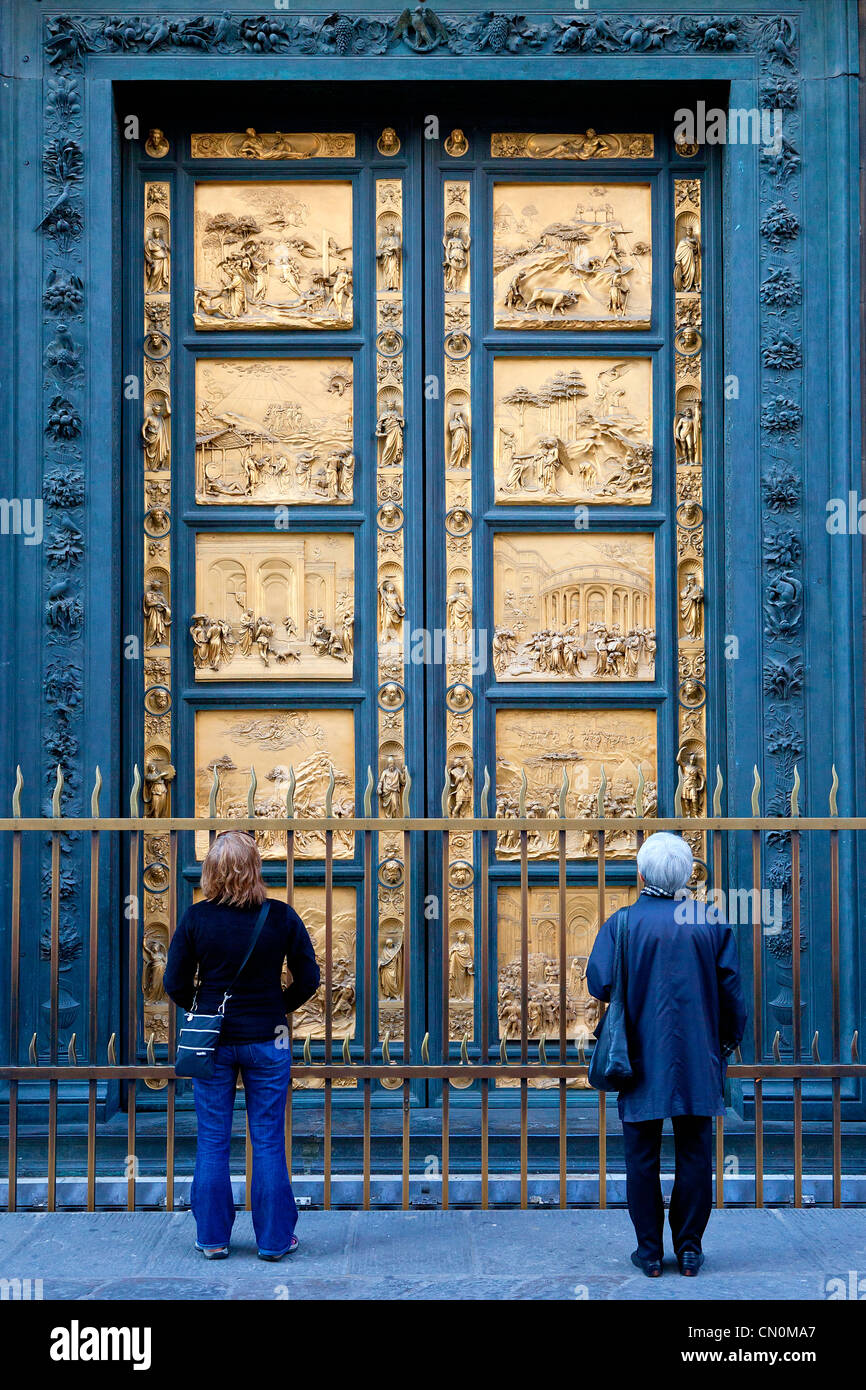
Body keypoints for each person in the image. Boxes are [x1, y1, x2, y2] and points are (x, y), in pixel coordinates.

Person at [586, 832, 746, 1279]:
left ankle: (650, 1253)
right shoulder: (711, 921)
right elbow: (732, 995)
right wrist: (725, 1043)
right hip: (697, 1054)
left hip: (637, 1055)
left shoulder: (621, 924)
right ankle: (690, 1249)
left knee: (641, 1156)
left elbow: (598, 984)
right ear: (685, 876)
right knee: (695, 1153)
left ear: (640, 875)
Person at [164, 831, 319, 1262]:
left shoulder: (196, 918)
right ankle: (272, 1241)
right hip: (268, 1040)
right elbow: (309, 979)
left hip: (211, 1045)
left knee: (213, 1139)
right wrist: (275, 1006)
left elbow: (173, 983)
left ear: (211, 871)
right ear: (255, 868)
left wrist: (206, 1009)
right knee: (267, 1139)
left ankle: (213, 1238)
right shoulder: (281, 916)